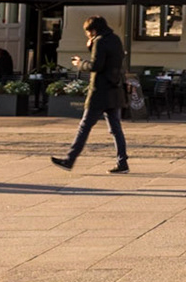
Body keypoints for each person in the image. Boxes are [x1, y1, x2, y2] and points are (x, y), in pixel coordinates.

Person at [52, 15, 129, 174]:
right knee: (116, 129)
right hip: (114, 90)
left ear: (93, 30)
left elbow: (96, 65)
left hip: (100, 92)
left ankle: (69, 159)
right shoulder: (115, 39)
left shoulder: (100, 41)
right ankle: (122, 162)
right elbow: (109, 60)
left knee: (84, 126)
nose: (87, 35)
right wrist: (91, 48)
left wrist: (79, 63)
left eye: (87, 32)